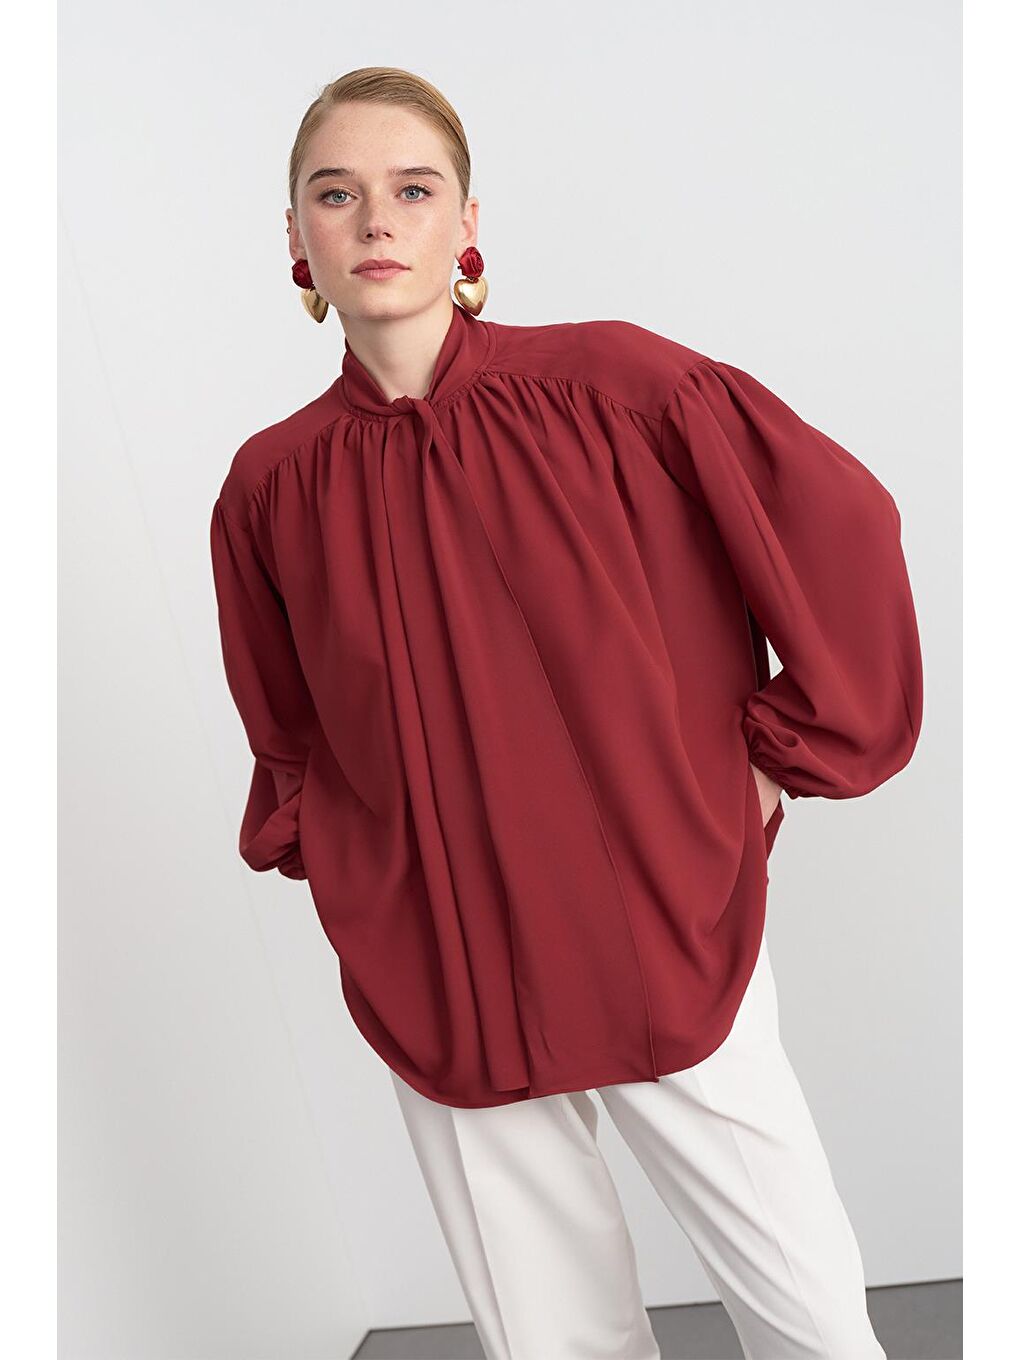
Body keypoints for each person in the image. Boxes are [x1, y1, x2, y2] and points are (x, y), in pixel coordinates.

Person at [210, 66, 922, 1360]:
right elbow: (289, 724)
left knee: (806, 1308)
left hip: (658, 904)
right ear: (297, 235)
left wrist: (773, 763)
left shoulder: (619, 389)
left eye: (412, 189)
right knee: (549, 1336)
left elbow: (841, 528)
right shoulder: (271, 486)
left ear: (467, 221)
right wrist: (360, 866)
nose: (377, 221)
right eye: (337, 194)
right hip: (439, 944)